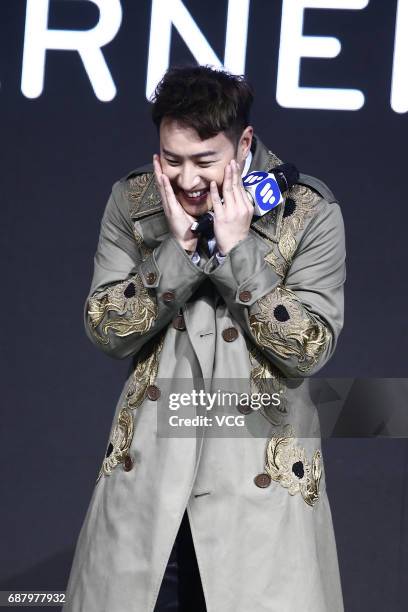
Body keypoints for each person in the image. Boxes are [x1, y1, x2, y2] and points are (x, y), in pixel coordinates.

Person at [63, 65, 346, 612]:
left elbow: (308, 347)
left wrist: (238, 254)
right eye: (172, 159)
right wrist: (183, 253)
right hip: (146, 489)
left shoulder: (307, 212)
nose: (188, 180)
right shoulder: (135, 203)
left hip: (257, 498)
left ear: (243, 143)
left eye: (205, 161)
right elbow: (104, 327)